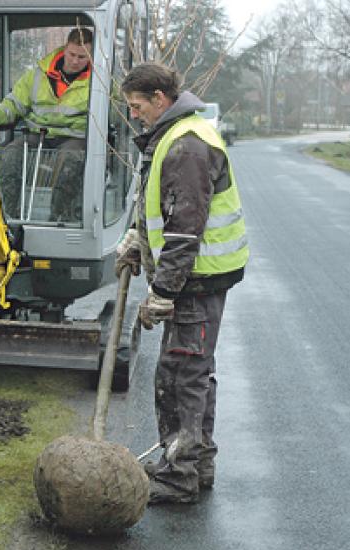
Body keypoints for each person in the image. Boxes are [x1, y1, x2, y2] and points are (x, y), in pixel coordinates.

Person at [115, 63, 249, 504]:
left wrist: (163, 292)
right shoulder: (177, 134)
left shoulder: (187, 145)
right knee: (193, 371)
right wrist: (139, 237)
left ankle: (178, 476)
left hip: (196, 280)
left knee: (180, 375)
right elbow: (164, 209)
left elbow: (184, 229)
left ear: (159, 98)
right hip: (200, 277)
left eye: (137, 106)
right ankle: (194, 462)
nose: (134, 114)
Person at [0, 28, 93, 223]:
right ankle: (8, 218)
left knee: (71, 160)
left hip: (74, 138)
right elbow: (13, 104)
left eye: (82, 57)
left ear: (91, 55)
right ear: (65, 48)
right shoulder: (37, 75)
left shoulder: (98, 81)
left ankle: (59, 219)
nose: (75, 61)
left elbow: (114, 112)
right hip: (37, 134)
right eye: (72, 54)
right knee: (9, 155)